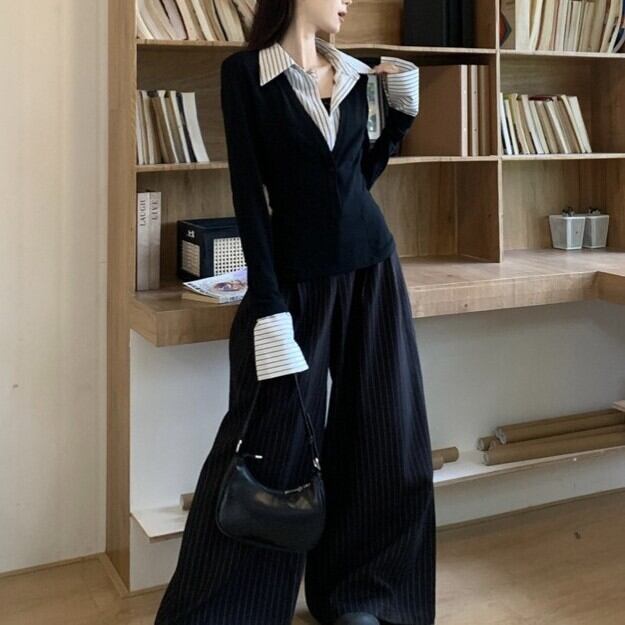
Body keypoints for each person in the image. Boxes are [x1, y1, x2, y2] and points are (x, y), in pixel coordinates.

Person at [153, 1, 436, 624]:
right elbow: (250, 200)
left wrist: (399, 120)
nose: (348, 2)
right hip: (295, 278)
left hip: (373, 269)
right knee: (269, 443)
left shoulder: (356, 74)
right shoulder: (246, 74)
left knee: (386, 434)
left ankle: (365, 599)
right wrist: (268, 305)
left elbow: (356, 179)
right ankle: (227, 614)